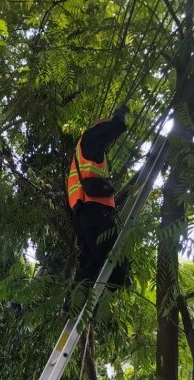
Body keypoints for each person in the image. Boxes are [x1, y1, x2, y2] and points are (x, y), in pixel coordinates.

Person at [68, 105, 130, 288]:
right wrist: (119, 115)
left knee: (90, 264)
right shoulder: (90, 138)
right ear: (99, 128)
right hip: (95, 209)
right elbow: (116, 127)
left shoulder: (81, 154)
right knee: (115, 261)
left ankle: (73, 307)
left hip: (82, 213)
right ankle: (115, 286)